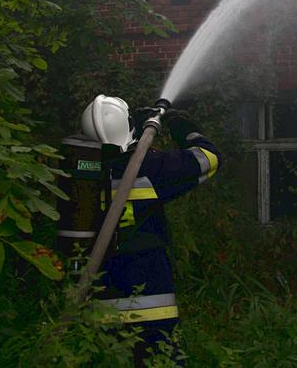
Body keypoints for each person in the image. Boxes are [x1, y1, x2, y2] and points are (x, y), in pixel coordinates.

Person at [79, 94, 222, 366]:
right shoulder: (150, 168)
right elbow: (209, 158)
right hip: (153, 303)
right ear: (129, 128)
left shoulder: (82, 180)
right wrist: (179, 125)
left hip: (98, 307)